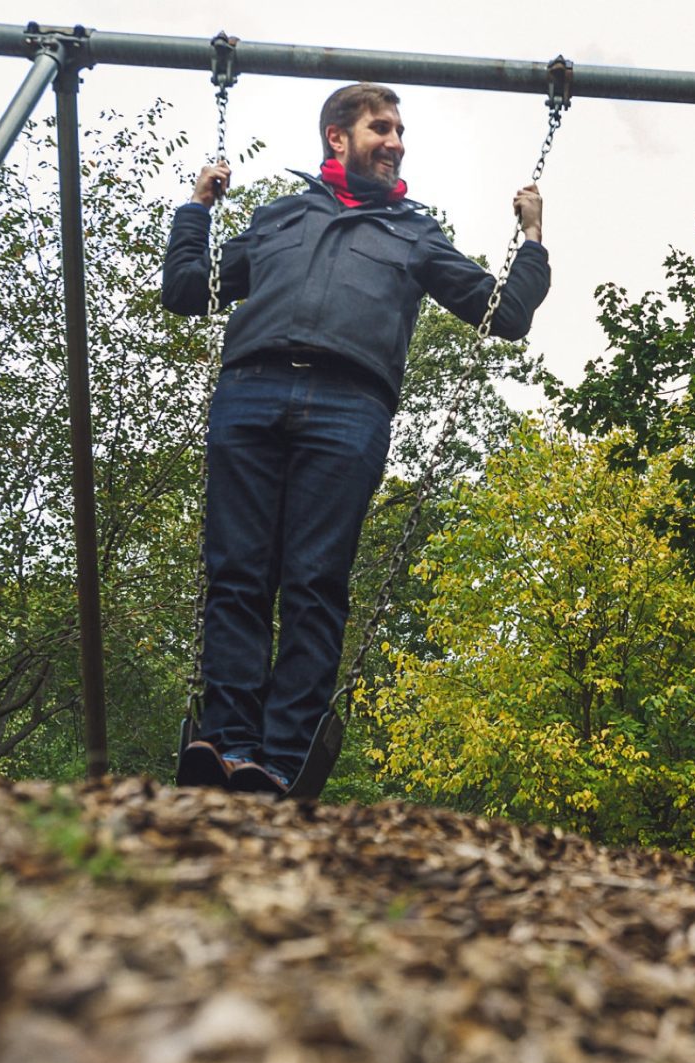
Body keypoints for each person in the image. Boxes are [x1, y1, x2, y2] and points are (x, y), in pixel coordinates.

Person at [163, 82, 550, 794]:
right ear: (337, 137)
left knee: (313, 583)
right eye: (383, 127)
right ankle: (227, 745)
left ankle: (278, 761)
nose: (397, 141)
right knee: (238, 575)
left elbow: (507, 312)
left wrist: (532, 238)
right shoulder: (280, 216)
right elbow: (189, 288)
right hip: (251, 392)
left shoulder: (414, 232)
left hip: (349, 407)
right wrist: (198, 207)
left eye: (400, 130)